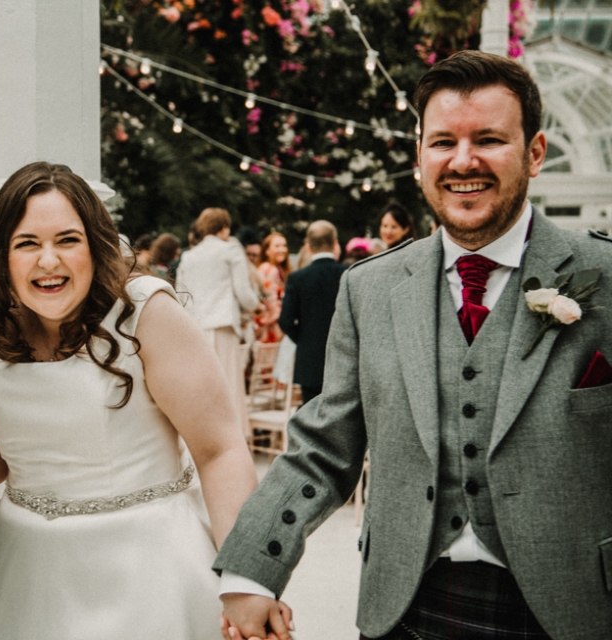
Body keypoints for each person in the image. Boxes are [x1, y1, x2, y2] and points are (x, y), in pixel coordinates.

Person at [215, 50, 612, 640]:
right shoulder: (368, 289)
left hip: (569, 608)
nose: (463, 161)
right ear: (419, 154)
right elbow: (324, 446)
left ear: (535, 153)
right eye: (443, 141)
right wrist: (252, 570)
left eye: (489, 140)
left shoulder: (604, 274)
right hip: (407, 606)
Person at [0, 162, 258, 638]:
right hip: (27, 580)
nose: (48, 261)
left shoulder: (146, 315)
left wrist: (245, 581)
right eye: (27, 243)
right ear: (3, 256)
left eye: (67, 240)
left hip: (149, 573)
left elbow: (219, 450)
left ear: (95, 246)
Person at [176, 207, 262, 440]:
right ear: (224, 228)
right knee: (228, 387)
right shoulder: (230, 250)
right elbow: (244, 293)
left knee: (200, 388)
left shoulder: (189, 256)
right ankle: (231, 439)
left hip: (195, 329)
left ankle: (202, 437)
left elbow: (180, 296)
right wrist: (257, 305)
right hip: (223, 326)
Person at [278, 221, 347, 405]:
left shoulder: (297, 278)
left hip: (309, 361)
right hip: (343, 359)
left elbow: (285, 321)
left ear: (308, 247)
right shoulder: (347, 274)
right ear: (334, 244)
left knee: (312, 413)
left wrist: (303, 339)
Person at [255, 233, 293, 344]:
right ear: (267, 251)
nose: (282, 249)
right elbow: (270, 300)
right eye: (277, 246)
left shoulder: (272, 268)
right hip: (270, 325)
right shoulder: (270, 270)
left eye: (284, 246)